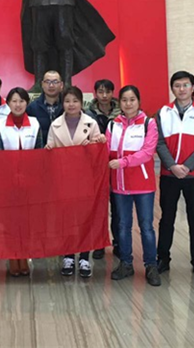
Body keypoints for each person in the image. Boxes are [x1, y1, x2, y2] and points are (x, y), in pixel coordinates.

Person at [155, 71, 194, 281]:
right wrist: (172, 165)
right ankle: (162, 258)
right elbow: (159, 142)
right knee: (167, 218)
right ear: (172, 88)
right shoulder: (163, 112)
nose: (181, 89)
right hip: (169, 174)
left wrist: (188, 166)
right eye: (177, 86)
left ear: (192, 88)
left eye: (185, 85)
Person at [45, 86, 106, 278]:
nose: (71, 105)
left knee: (85, 217)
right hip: (63, 179)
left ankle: (84, 257)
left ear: (81, 103)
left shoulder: (91, 123)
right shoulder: (55, 125)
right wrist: (48, 149)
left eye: (75, 101)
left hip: (85, 179)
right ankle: (69, 256)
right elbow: (50, 152)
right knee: (66, 219)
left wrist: (96, 144)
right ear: (62, 103)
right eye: (67, 101)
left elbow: (98, 153)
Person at [107, 86, 161, 286]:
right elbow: (106, 149)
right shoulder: (113, 125)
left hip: (143, 185)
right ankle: (126, 263)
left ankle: (151, 265)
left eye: (132, 100)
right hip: (119, 185)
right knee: (123, 226)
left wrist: (124, 162)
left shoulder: (149, 124)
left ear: (139, 101)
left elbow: (147, 152)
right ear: (119, 102)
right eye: (124, 100)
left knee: (146, 226)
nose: (128, 104)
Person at [0, 87, 44, 277]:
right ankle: (12, 257)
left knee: (27, 221)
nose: (18, 105)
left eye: (21, 101)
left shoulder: (35, 123)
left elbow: (39, 153)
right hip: (8, 182)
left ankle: (24, 256)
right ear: (8, 103)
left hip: (30, 182)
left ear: (27, 103)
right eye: (14, 101)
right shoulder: (0, 125)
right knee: (11, 221)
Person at [87, 79, 121, 260]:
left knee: (118, 207)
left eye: (108, 91)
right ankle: (99, 243)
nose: (104, 95)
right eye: (101, 91)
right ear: (95, 93)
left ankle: (118, 242)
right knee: (99, 207)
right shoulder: (88, 114)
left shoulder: (122, 112)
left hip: (117, 165)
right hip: (95, 167)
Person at [26, 70, 64, 143]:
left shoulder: (68, 107)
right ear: (42, 84)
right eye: (47, 82)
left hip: (64, 148)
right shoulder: (32, 108)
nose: (51, 85)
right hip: (41, 148)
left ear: (61, 85)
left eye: (55, 82)